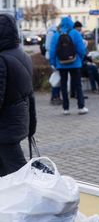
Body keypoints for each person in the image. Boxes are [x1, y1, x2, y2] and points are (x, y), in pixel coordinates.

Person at [0, 14, 37, 176]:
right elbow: (30, 95)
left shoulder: (2, 59)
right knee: (8, 174)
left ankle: (36, 200)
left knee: (20, 175)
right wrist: (31, 126)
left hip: (5, 129)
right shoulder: (23, 55)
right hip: (17, 123)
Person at [50, 17, 88, 115]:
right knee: (78, 85)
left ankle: (65, 109)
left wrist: (53, 63)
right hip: (75, 63)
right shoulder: (75, 33)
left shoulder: (56, 34)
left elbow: (52, 50)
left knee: (63, 86)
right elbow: (81, 49)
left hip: (61, 64)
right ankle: (81, 107)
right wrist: (80, 58)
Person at [45, 24, 62, 105]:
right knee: (56, 77)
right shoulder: (52, 33)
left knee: (57, 77)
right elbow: (48, 47)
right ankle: (55, 97)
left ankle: (55, 96)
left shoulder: (53, 32)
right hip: (53, 58)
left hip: (54, 58)